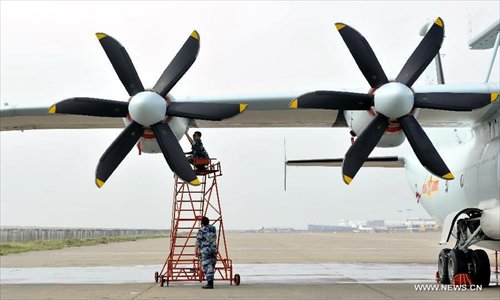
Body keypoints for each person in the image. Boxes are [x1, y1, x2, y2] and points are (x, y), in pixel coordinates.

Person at [195, 216, 217, 289]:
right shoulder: (213, 229)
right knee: (211, 265)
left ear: (202, 223)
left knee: (207, 266)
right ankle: (210, 282)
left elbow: (198, 241)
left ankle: (210, 283)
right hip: (213, 250)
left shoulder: (201, 230)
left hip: (205, 250)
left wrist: (196, 250)